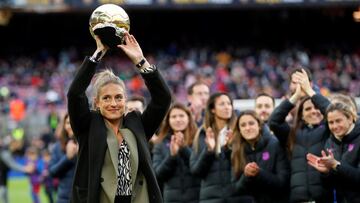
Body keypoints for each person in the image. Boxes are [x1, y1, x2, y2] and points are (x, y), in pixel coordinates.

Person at [67, 32, 171, 203]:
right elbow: (74, 94)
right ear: (97, 103)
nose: (113, 103)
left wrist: (140, 61)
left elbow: (163, 99)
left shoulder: (138, 124)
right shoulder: (87, 125)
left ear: (125, 100)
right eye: (106, 98)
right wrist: (98, 54)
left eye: (118, 97)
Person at [268, 69, 333, 202]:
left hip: (323, 198)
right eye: (308, 109)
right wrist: (296, 96)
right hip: (297, 199)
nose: (313, 111)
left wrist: (310, 92)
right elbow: (274, 121)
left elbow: (333, 112)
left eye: (316, 108)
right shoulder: (292, 132)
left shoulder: (329, 130)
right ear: (301, 114)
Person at [190, 92, 250, 202]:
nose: (227, 107)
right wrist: (209, 151)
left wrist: (230, 148)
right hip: (211, 198)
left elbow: (247, 164)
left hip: (238, 197)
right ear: (212, 109)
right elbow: (196, 171)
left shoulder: (241, 131)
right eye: (222, 104)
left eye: (229, 103)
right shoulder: (202, 134)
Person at [231, 110, 289, 203]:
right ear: (239, 130)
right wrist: (246, 176)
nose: (247, 128)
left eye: (251, 123)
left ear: (259, 125)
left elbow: (282, 182)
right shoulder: (237, 151)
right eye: (243, 125)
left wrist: (259, 173)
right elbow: (235, 189)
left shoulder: (275, 144)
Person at [307, 102, 360, 203]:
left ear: (349, 119)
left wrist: (336, 165)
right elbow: (330, 185)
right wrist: (325, 173)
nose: (335, 126)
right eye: (331, 122)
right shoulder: (330, 142)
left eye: (338, 121)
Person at [152, 103, 200, 203]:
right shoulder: (160, 144)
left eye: (181, 116)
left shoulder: (199, 140)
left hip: (197, 197)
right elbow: (158, 175)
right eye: (173, 116)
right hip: (172, 199)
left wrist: (183, 149)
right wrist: (172, 156)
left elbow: (200, 168)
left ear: (188, 118)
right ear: (168, 121)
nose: (178, 119)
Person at [48, 113, 77, 203]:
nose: (70, 125)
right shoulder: (58, 146)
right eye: (68, 123)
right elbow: (52, 172)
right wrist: (68, 158)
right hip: (64, 198)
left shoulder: (89, 144)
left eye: (74, 122)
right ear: (64, 125)